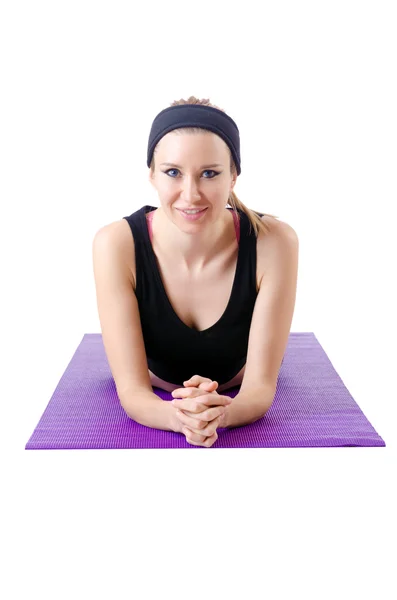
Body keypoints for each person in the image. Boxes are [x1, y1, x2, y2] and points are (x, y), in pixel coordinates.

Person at [93, 96, 290, 447]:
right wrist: (180, 418)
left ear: (233, 176)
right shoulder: (115, 244)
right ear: (152, 174)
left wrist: (222, 413)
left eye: (210, 173)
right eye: (173, 172)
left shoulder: (274, 242)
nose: (190, 194)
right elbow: (134, 391)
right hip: (158, 386)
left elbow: (259, 389)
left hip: (234, 383)